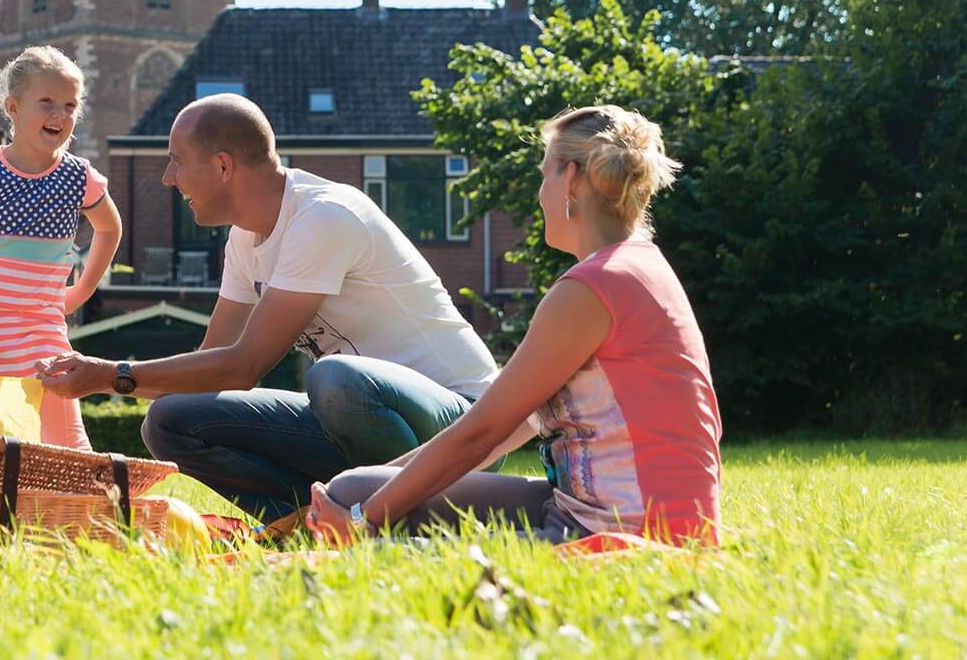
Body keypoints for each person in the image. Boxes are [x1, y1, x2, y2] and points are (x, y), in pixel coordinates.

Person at [38, 94, 498, 519]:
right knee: (171, 420)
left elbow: (243, 367)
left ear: (222, 167)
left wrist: (108, 374)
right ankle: (309, 523)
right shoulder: (244, 239)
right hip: (361, 417)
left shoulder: (324, 217)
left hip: (462, 423)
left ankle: (411, 520)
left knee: (334, 378)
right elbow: (208, 365)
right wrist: (97, 383)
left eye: (177, 162)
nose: (167, 178)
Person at [307, 105, 723, 547]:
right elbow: (502, 431)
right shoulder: (637, 268)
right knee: (354, 486)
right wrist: (370, 491)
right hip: (602, 509)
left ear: (572, 179)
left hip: (626, 528)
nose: (540, 194)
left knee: (370, 517)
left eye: (545, 175)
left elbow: (481, 432)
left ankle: (376, 540)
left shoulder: (591, 289)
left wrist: (361, 522)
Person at [0, 46, 124, 448]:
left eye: (70, 105)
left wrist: (83, 289)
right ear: (13, 107)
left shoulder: (79, 178)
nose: (60, 115)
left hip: (43, 330)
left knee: (65, 438)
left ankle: (77, 505)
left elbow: (110, 229)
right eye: (47, 103)